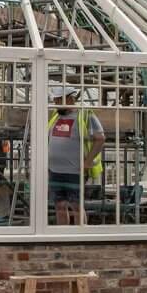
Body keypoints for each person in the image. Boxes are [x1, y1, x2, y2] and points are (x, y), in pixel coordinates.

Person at [48, 86, 105, 225]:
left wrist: (88, 162)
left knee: (76, 207)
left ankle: (80, 236)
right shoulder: (55, 116)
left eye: (58, 100)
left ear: (69, 99)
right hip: (55, 171)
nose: (55, 104)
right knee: (60, 207)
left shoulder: (85, 115)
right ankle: (63, 237)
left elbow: (100, 138)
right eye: (55, 100)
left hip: (75, 171)